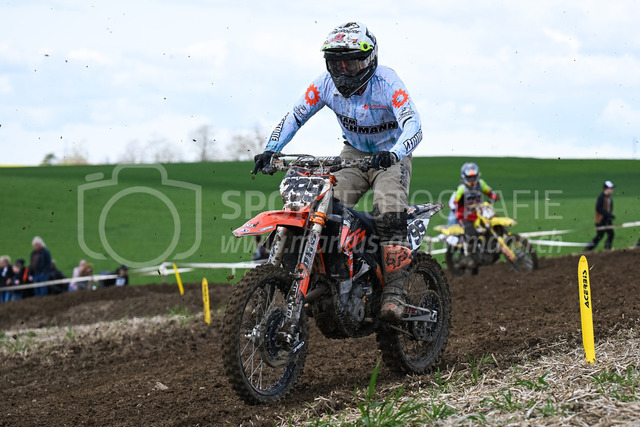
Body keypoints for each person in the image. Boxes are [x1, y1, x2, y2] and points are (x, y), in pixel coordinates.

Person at [252, 22, 423, 322]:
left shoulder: (387, 82)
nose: (343, 72)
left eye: (351, 63)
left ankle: (395, 291)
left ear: (368, 59)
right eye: (335, 64)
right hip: (352, 154)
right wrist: (271, 149)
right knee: (323, 209)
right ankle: (330, 276)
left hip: (390, 155)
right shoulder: (325, 85)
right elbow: (295, 116)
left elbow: (414, 124)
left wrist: (395, 152)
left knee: (388, 210)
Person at [453, 162, 499, 266]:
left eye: (473, 177)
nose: (472, 180)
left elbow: (490, 192)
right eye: (469, 177)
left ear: (477, 176)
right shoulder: (462, 188)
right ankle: (468, 257)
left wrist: (493, 196)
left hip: (480, 214)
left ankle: (491, 252)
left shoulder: (481, 184)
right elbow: (454, 202)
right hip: (466, 216)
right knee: (471, 235)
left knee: (490, 228)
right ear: (464, 177)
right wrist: (459, 207)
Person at [585, 180, 615, 251]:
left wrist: (610, 216)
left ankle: (607, 248)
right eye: (611, 188)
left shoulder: (609, 198)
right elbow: (598, 209)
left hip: (607, 221)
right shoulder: (601, 197)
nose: (612, 190)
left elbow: (609, 208)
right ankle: (588, 248)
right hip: (601, 221)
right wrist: (609, 215)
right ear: (607, 189)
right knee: (600, 236)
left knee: (611, 234)